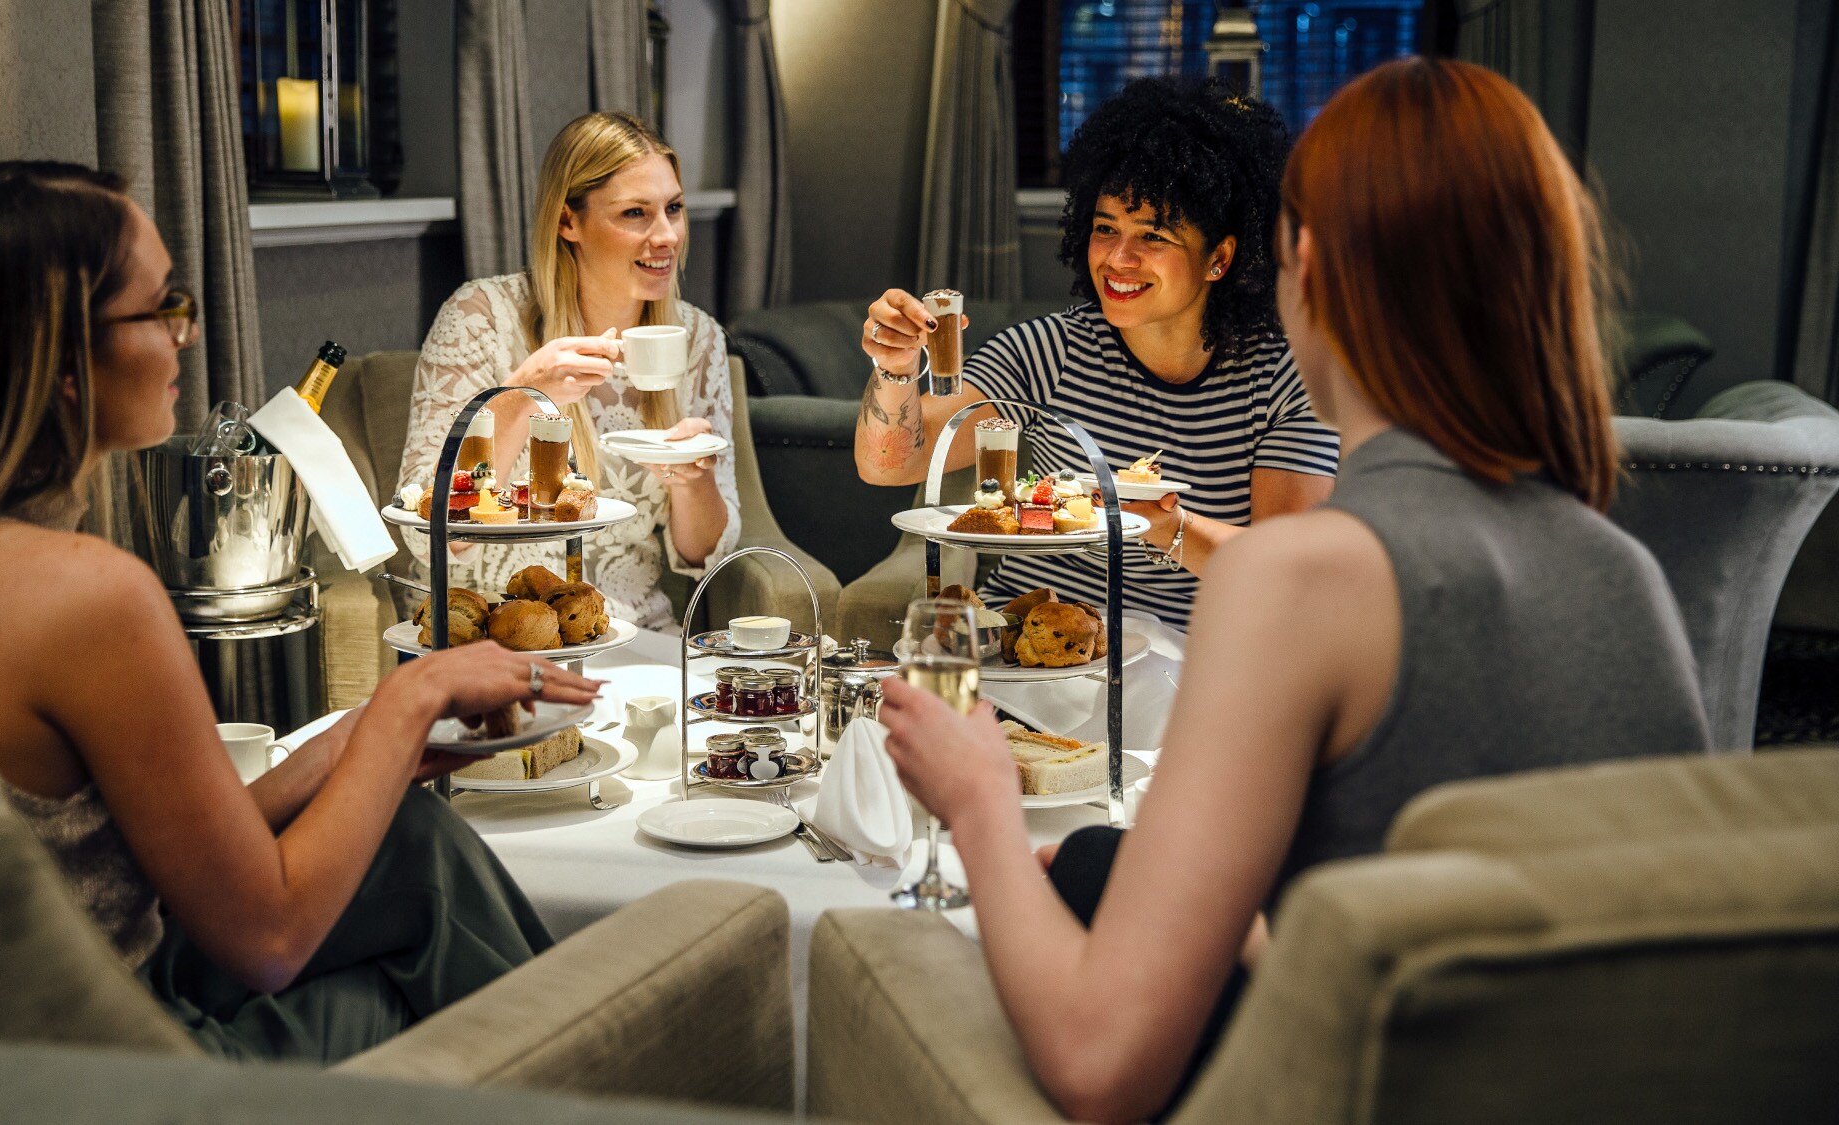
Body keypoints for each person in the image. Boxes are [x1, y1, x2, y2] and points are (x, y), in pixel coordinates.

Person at [875, 59, 1711, 1124]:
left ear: (1296, 263)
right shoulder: (1620, 574)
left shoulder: (1298, 581)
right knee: (1093, 858)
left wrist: (980, 798)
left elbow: (1099, 1063)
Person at [0, 161, 601, 1062]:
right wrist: (412, 693)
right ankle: (603, 1065)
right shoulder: (85, 596)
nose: (186, 337)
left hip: (40, 1028)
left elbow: (142, 859)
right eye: (161, 309)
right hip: (127, 1065)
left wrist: (369, 742)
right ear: (62, 363)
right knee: (438, 974)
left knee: (413, 842)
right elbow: (268, 937)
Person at [856, 77, 1338, 629]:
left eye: (1153, 237)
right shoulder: (1049, 351)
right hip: (1028, 648)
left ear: (1220, 258)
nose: (1118, 258)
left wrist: (1157, 524)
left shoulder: (1283, 378)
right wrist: (894, 370)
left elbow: (1289, 572)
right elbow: (889, 465)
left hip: (1189, 665)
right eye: (1105, 228)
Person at [398, 111, 737, 630]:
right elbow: (432, 535)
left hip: (632, 632)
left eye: (674, 208)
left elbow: (702, 553)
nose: (667, 235)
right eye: (634, 214)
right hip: (500, 633)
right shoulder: (480, 317)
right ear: (567, 221)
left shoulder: (699, 339)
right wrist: (519, 395)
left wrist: (692, 483)